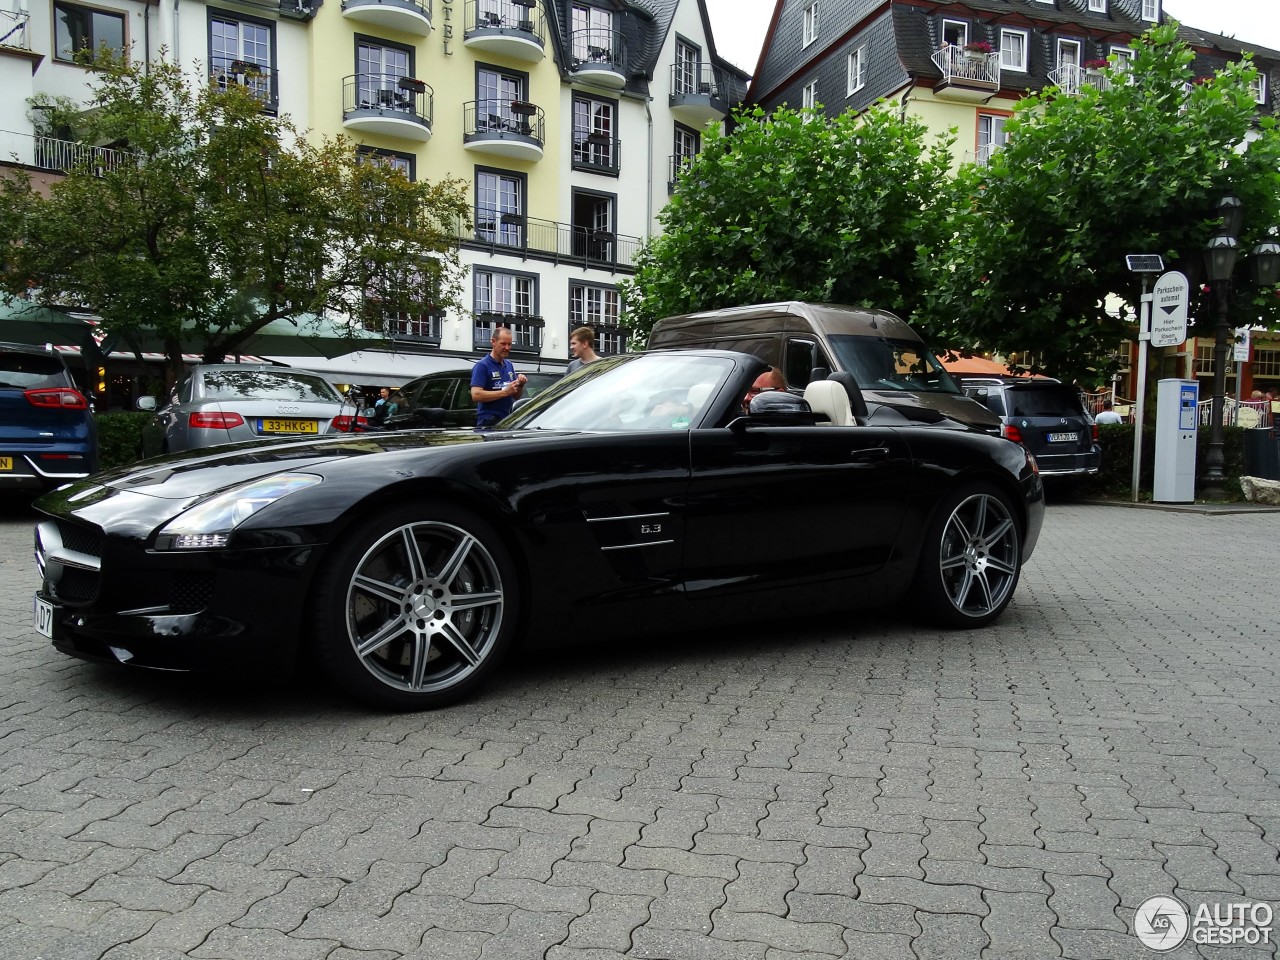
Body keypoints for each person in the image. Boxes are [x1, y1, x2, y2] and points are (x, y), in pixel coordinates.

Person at [471, 327, 527, 429]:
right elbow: (476, 395)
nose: (507, 347)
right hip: (488, 422)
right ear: (493, 342)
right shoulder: (482, 365)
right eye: (503, 344)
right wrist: (505, 392)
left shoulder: (509, 365)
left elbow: (516, 396)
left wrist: (521, 385)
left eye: (509, 344)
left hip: (507, 420)